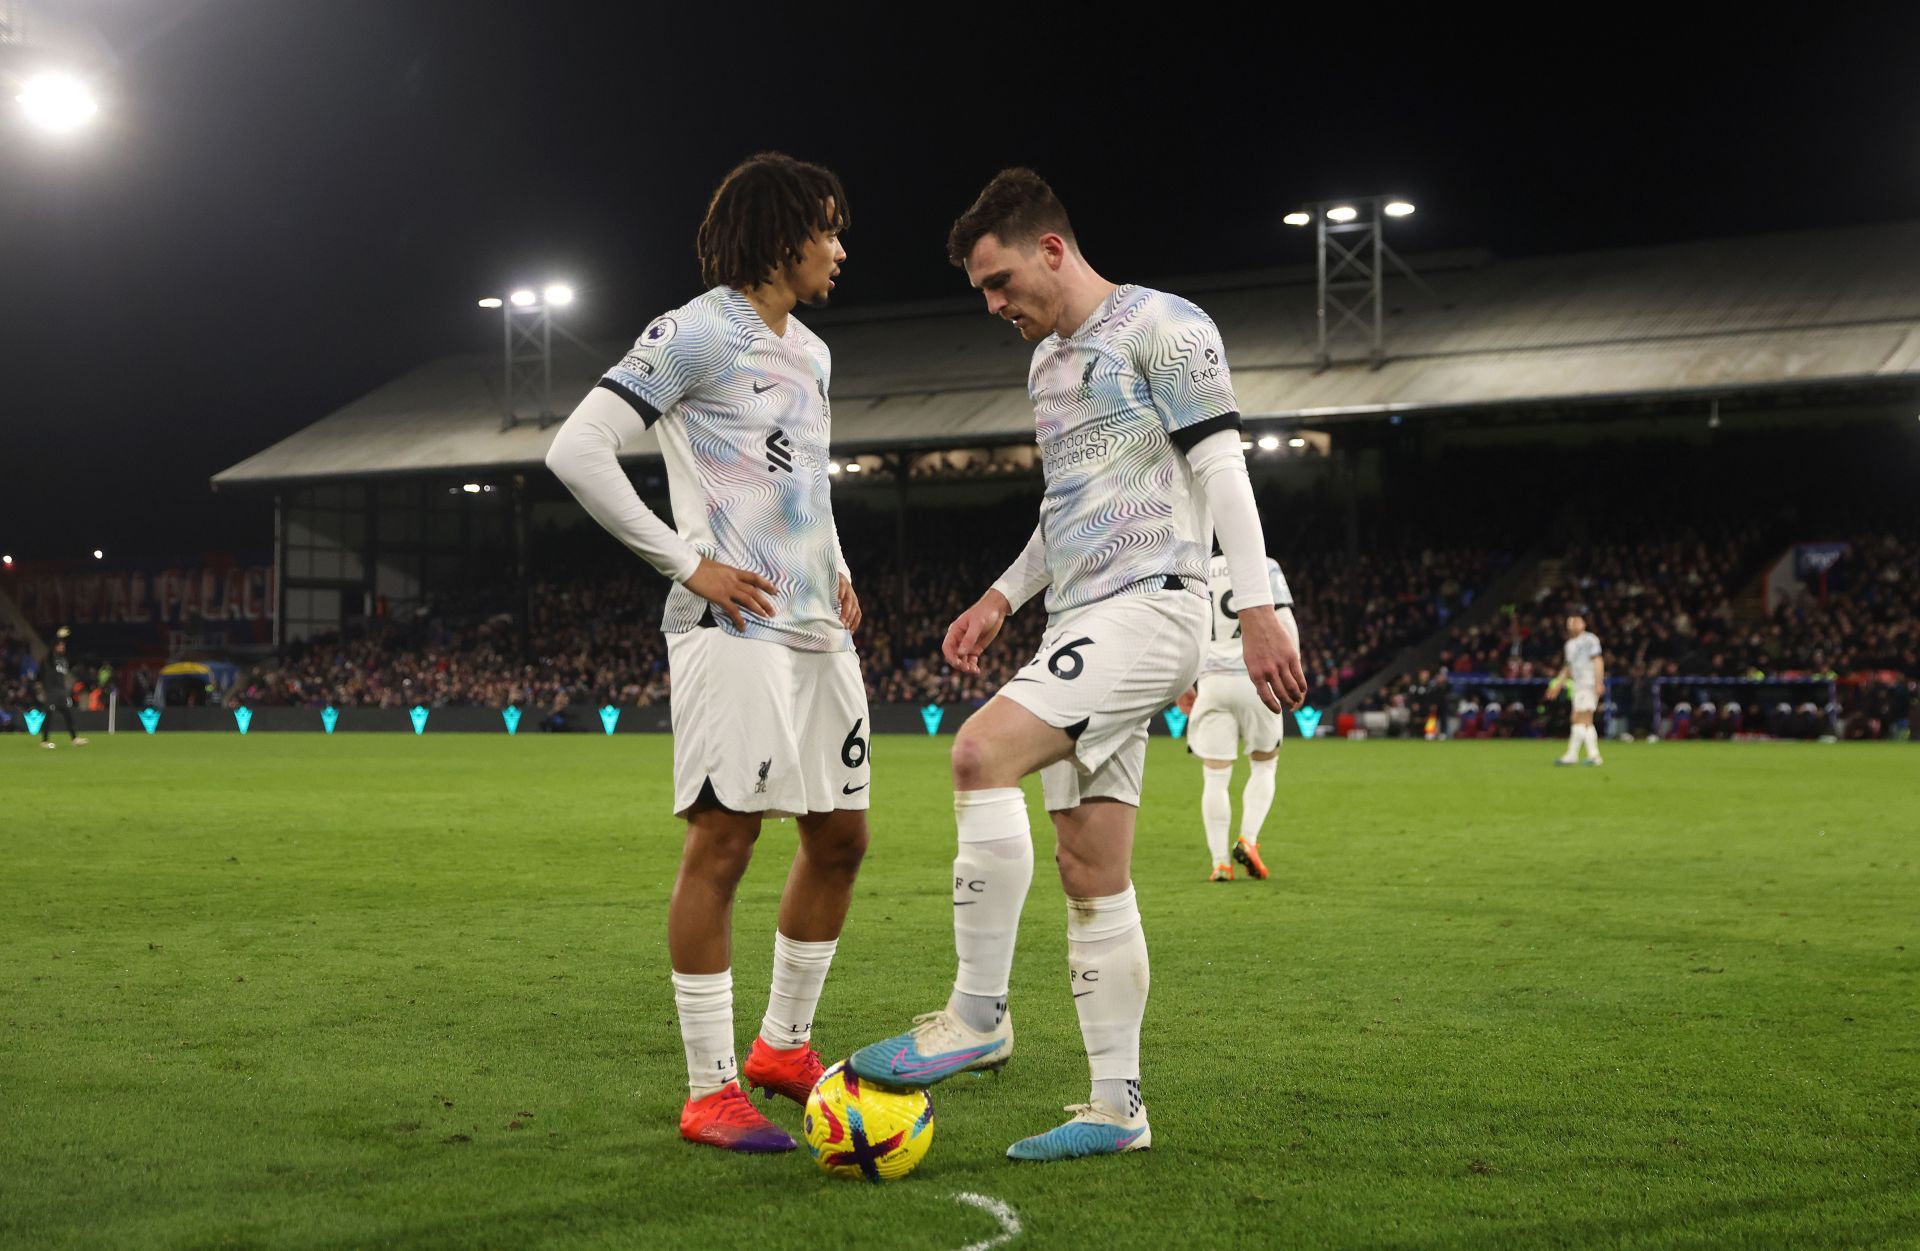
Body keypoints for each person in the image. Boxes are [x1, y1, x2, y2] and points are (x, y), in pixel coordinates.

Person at [847, 169, 1307, 1161]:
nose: (993, 304)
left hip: (1155, 606)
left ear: (1052, 249)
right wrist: (1002, 597)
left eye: (1001, 280)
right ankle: (1117, 1106)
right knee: (1089, 868)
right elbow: (1067, 512)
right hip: (1079, 615)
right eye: (981, 290)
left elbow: (1223, 466)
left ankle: (977, 1014)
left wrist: (1260, 606)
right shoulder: (1047, 369)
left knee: (977, 755)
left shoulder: (1168, 329)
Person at [544, 153, 867, 1155]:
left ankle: (782, 1047)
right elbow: (577, 450)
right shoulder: (691, 332)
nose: (841, 250)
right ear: (783, 236)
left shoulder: (811, 352)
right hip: (732, 632)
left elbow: (801, 480)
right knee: (725, 843)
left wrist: (841, 566)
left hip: (816, 626)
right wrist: (686, 565)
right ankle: (709, 1087)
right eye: (829, 230)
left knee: (842, 839)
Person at [1176, 552, 1297, 881]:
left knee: (1215, 776)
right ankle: (1249, 840)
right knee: (1264, 763)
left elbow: (1184, 630)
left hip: (1212, 682)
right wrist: (1293, 676)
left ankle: (1220, 864)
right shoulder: (1262, 563)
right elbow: (1283, 623)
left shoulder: (1195, 569)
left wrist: (1183, 684)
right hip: (1255, 679)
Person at [1545, 611, 1604, 766]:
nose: (1573, 624)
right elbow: (1568, 668)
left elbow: (1597, 660)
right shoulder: (1569, 645)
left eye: (1576, 621)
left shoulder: (1590, 639)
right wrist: (1557, 686)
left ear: (1583, 624)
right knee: (1579, 719)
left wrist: (1598, 682)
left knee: (1582, 718)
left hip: (1588, 683)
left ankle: (1591, 756)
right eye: (1570, 621)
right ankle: (1577, 755)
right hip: (1578, 685)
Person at [36, 628, 88, 750]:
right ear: (55, 646)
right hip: (51, 691)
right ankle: (44, 741)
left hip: (61, 692)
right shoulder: (50, 659)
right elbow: (49, 650)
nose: (62, 646)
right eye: (60, 644)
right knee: (49, 715)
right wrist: (57, 636)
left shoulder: (63, 660)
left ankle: (74, 739)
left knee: (68, 715)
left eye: (63, 644)